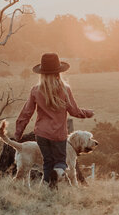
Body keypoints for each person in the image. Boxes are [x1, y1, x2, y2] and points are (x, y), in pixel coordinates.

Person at [14, 52, 94, 189]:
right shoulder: (65, 89)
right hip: (59, 134)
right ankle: (56, 174)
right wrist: (87, 113)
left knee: (47, 162)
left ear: (42, 73)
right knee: (61, 162)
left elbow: (26, 113)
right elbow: (74, 111)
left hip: (41, 134)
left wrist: (18, 133)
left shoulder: (35, 90)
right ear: (59, 73)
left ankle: (48, 188)